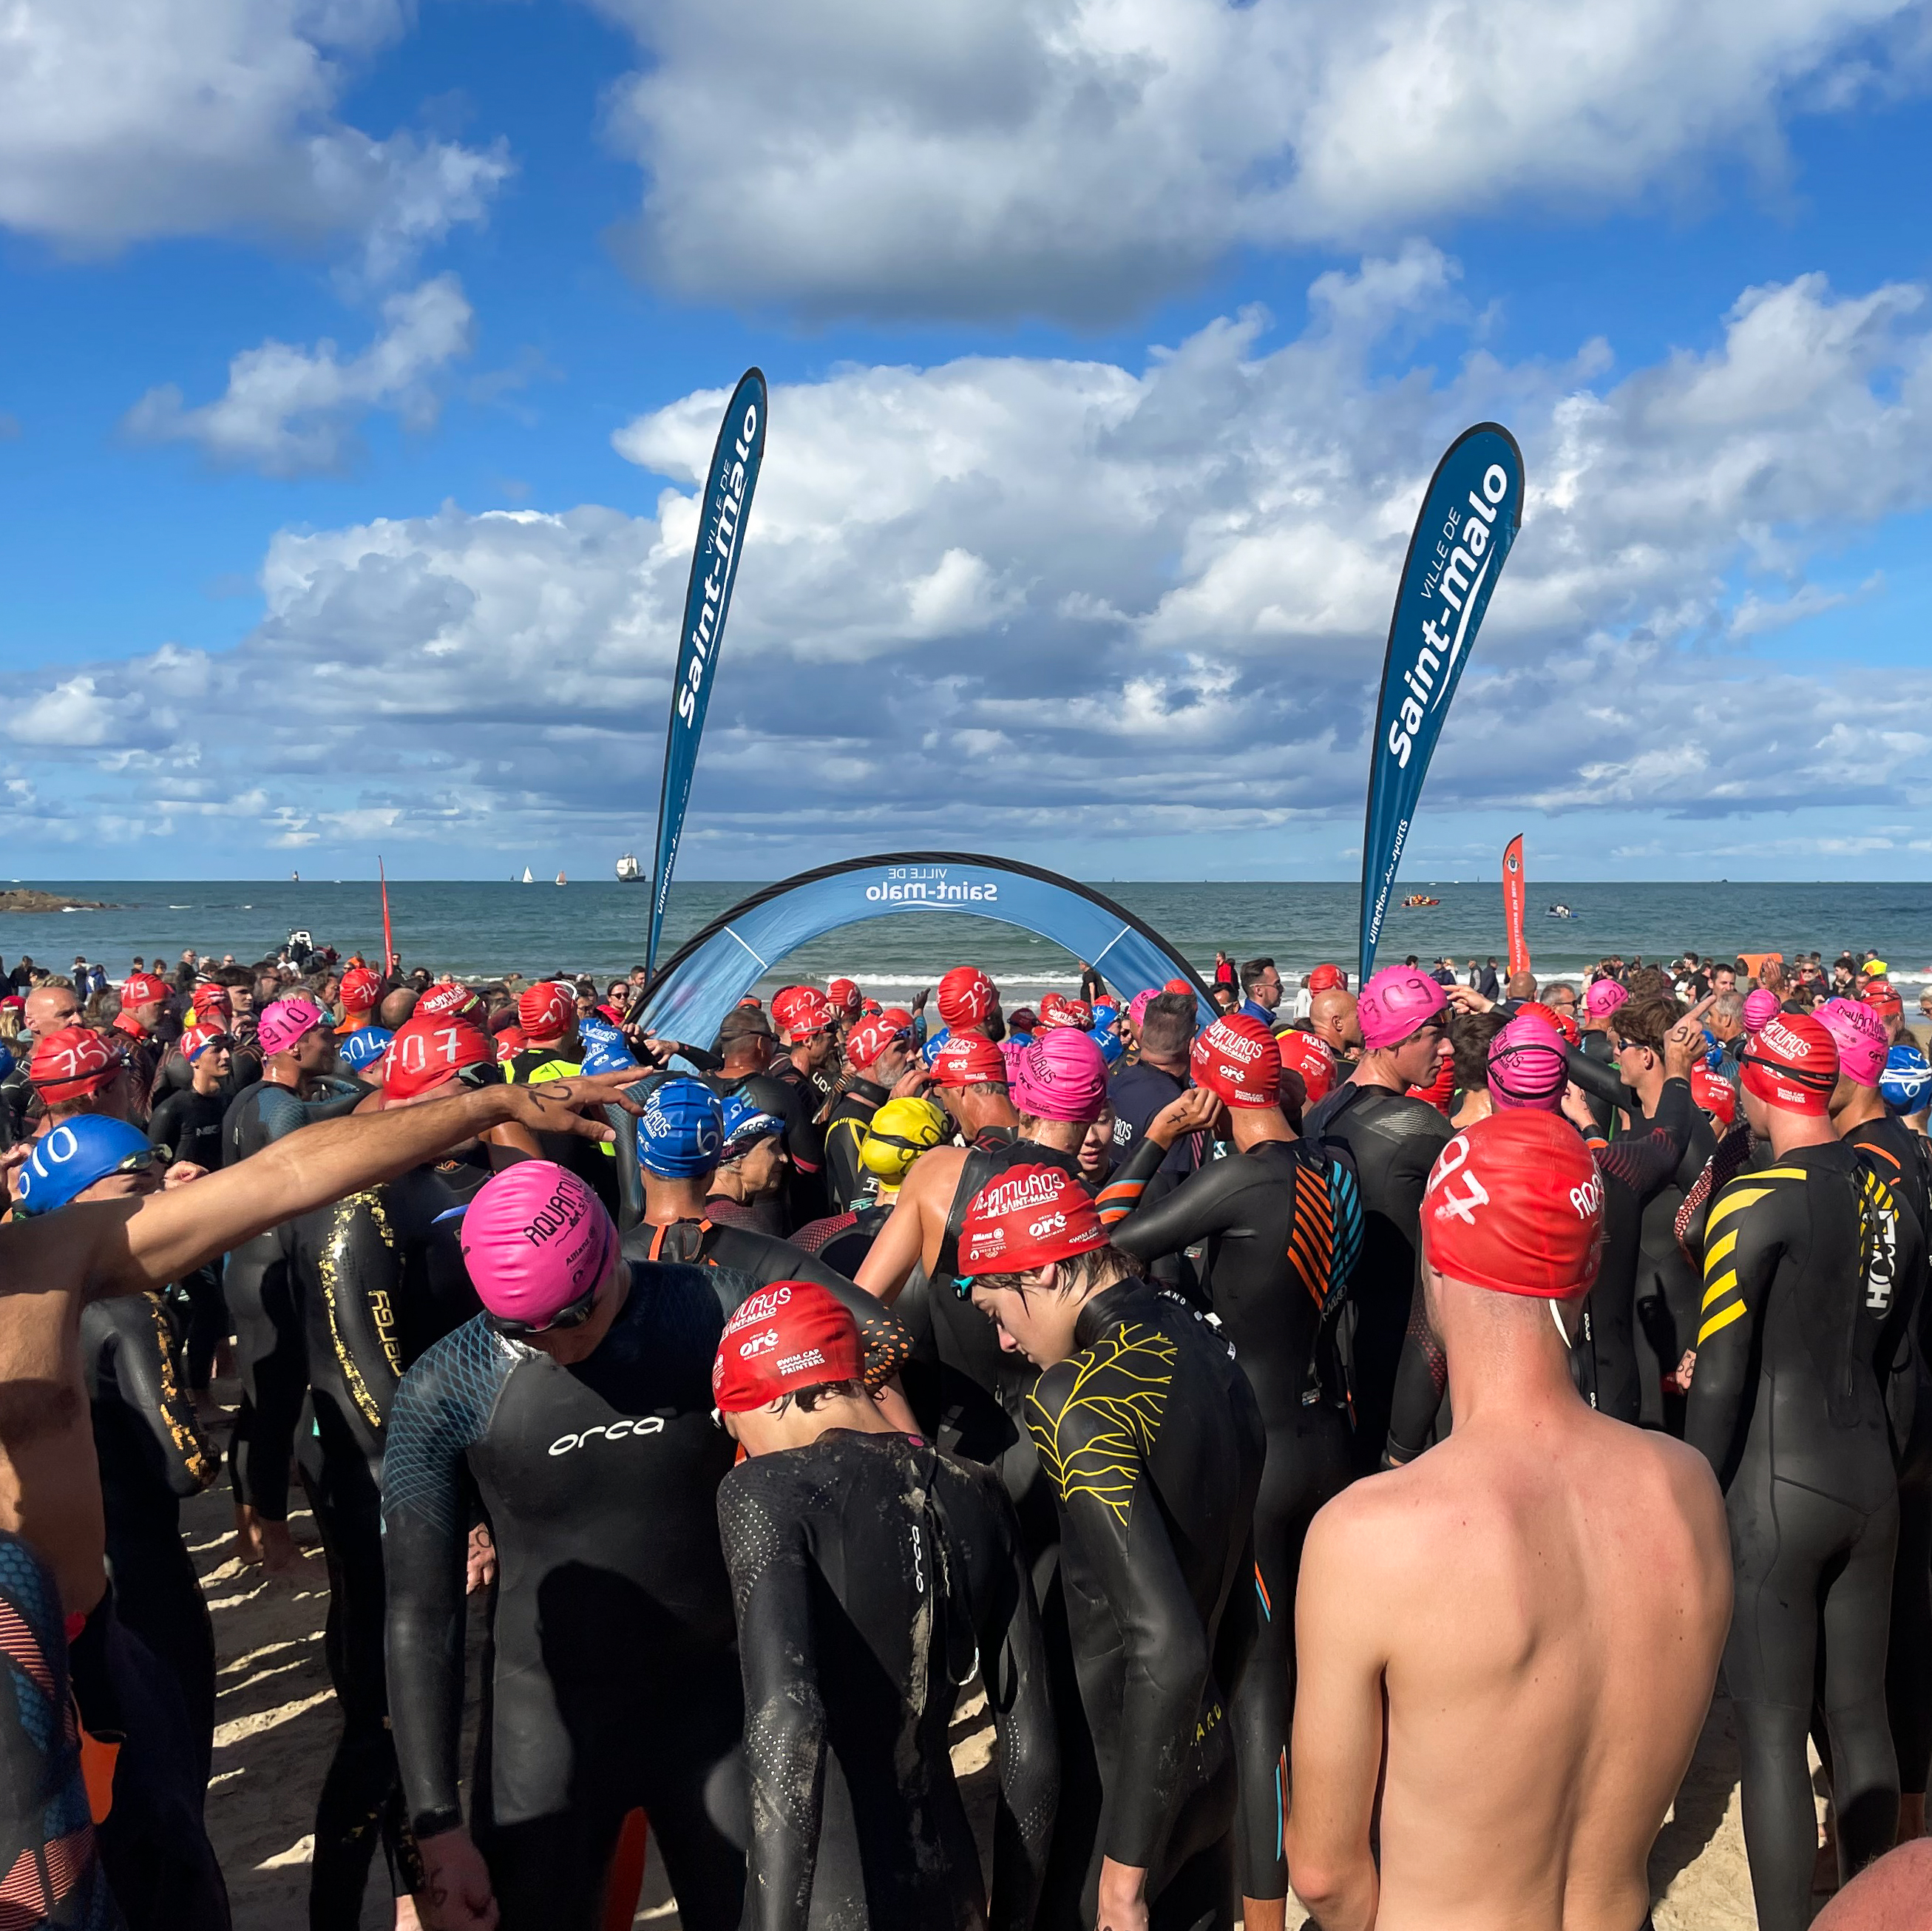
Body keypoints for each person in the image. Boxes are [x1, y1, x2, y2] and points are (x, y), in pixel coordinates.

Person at [0, 1057, 639, 1931]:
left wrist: (490, 1103)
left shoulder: (46, 1256)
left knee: (174, 1894)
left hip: (97, 1656)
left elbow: (289, 1174)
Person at [1286, 1108, 1732, 1931]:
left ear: (1435, 1267)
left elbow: (1322, 1872)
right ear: (1591, 1266)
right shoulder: (1689, 1490)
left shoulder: (1370, 1537)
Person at [1098, 1013, 1363, 1924]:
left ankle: (1261, 1915)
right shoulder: (1335, 1167)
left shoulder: (1237, 1179)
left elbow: (1106, 1242)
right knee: (1318, 1672)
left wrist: (1156, 1139)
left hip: (1259, 1455)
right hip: (1330, 1436)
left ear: (1206, 1090)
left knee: (1259, 1695)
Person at [958, 1165, 1267, 1931]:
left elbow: (1168, 1646)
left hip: (1126, 1795)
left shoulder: (1075, 1396)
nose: (1003, 1337)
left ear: (1048, 1271)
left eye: (1000, 1309)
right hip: (1209, 1768)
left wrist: (1124, 1873)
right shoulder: (1203, 1338)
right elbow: (1239, 1606)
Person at [714, 1280, 1060, 1931]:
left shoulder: (763, 1491)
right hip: (952, 1886)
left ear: (779, 1396)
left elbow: (788, 1725)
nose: (744, 1448)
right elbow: (1033, 1745)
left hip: (832, 1900)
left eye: (738, 1427)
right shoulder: (977, 1491)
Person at [1683, 1012, 1924, 1927]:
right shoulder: (1887, 1185)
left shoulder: (1754, 1198)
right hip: (1871, 1477)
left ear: (1763, 1081)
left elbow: (1720, 1382)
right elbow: (1896, 1342)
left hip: (1773, 1495)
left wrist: (1691, 1502)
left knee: (1776, 1733)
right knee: (1862, 1713)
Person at [1817, 995, 1932, 1839]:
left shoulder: (1868, 1169)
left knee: (1877, 1639)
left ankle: (1885, 1821)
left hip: (1887, 1418)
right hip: (1919, 1401)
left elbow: (1870, 1313)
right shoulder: (1915, 1149)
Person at [220, 994, 365, 1572]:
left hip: (243, 1263)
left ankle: (248, 1529)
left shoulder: (245, 1098)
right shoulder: (280, 1105)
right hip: (273, 1269)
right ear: (296, 1044)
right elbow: (296, 1139)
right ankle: (274, 1539)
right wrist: (368, 1101)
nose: (332, 1043)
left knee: (256, 1408)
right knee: (278, 1410)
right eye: (324, 1036)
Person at [1303, 965, 1454, 1472]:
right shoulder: (1419, 1126)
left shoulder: (1323, 1112)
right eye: (1434, 1035)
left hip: (1338, 1339)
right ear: (1393, 1041)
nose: (1447, 1049)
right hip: (1407, 1348)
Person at [821, 1009, 915, 1208]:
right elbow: (861, 1209)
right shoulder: (849, 1125)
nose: (912, 1056)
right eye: (900, 1049)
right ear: (871, 1061)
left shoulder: (880, 1107)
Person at [1236, 958, 1282, 1027]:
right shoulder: (1256, 1027)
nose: (1282, 989)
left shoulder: (1242, 1016)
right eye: (1277, 984)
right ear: (1259, 990)